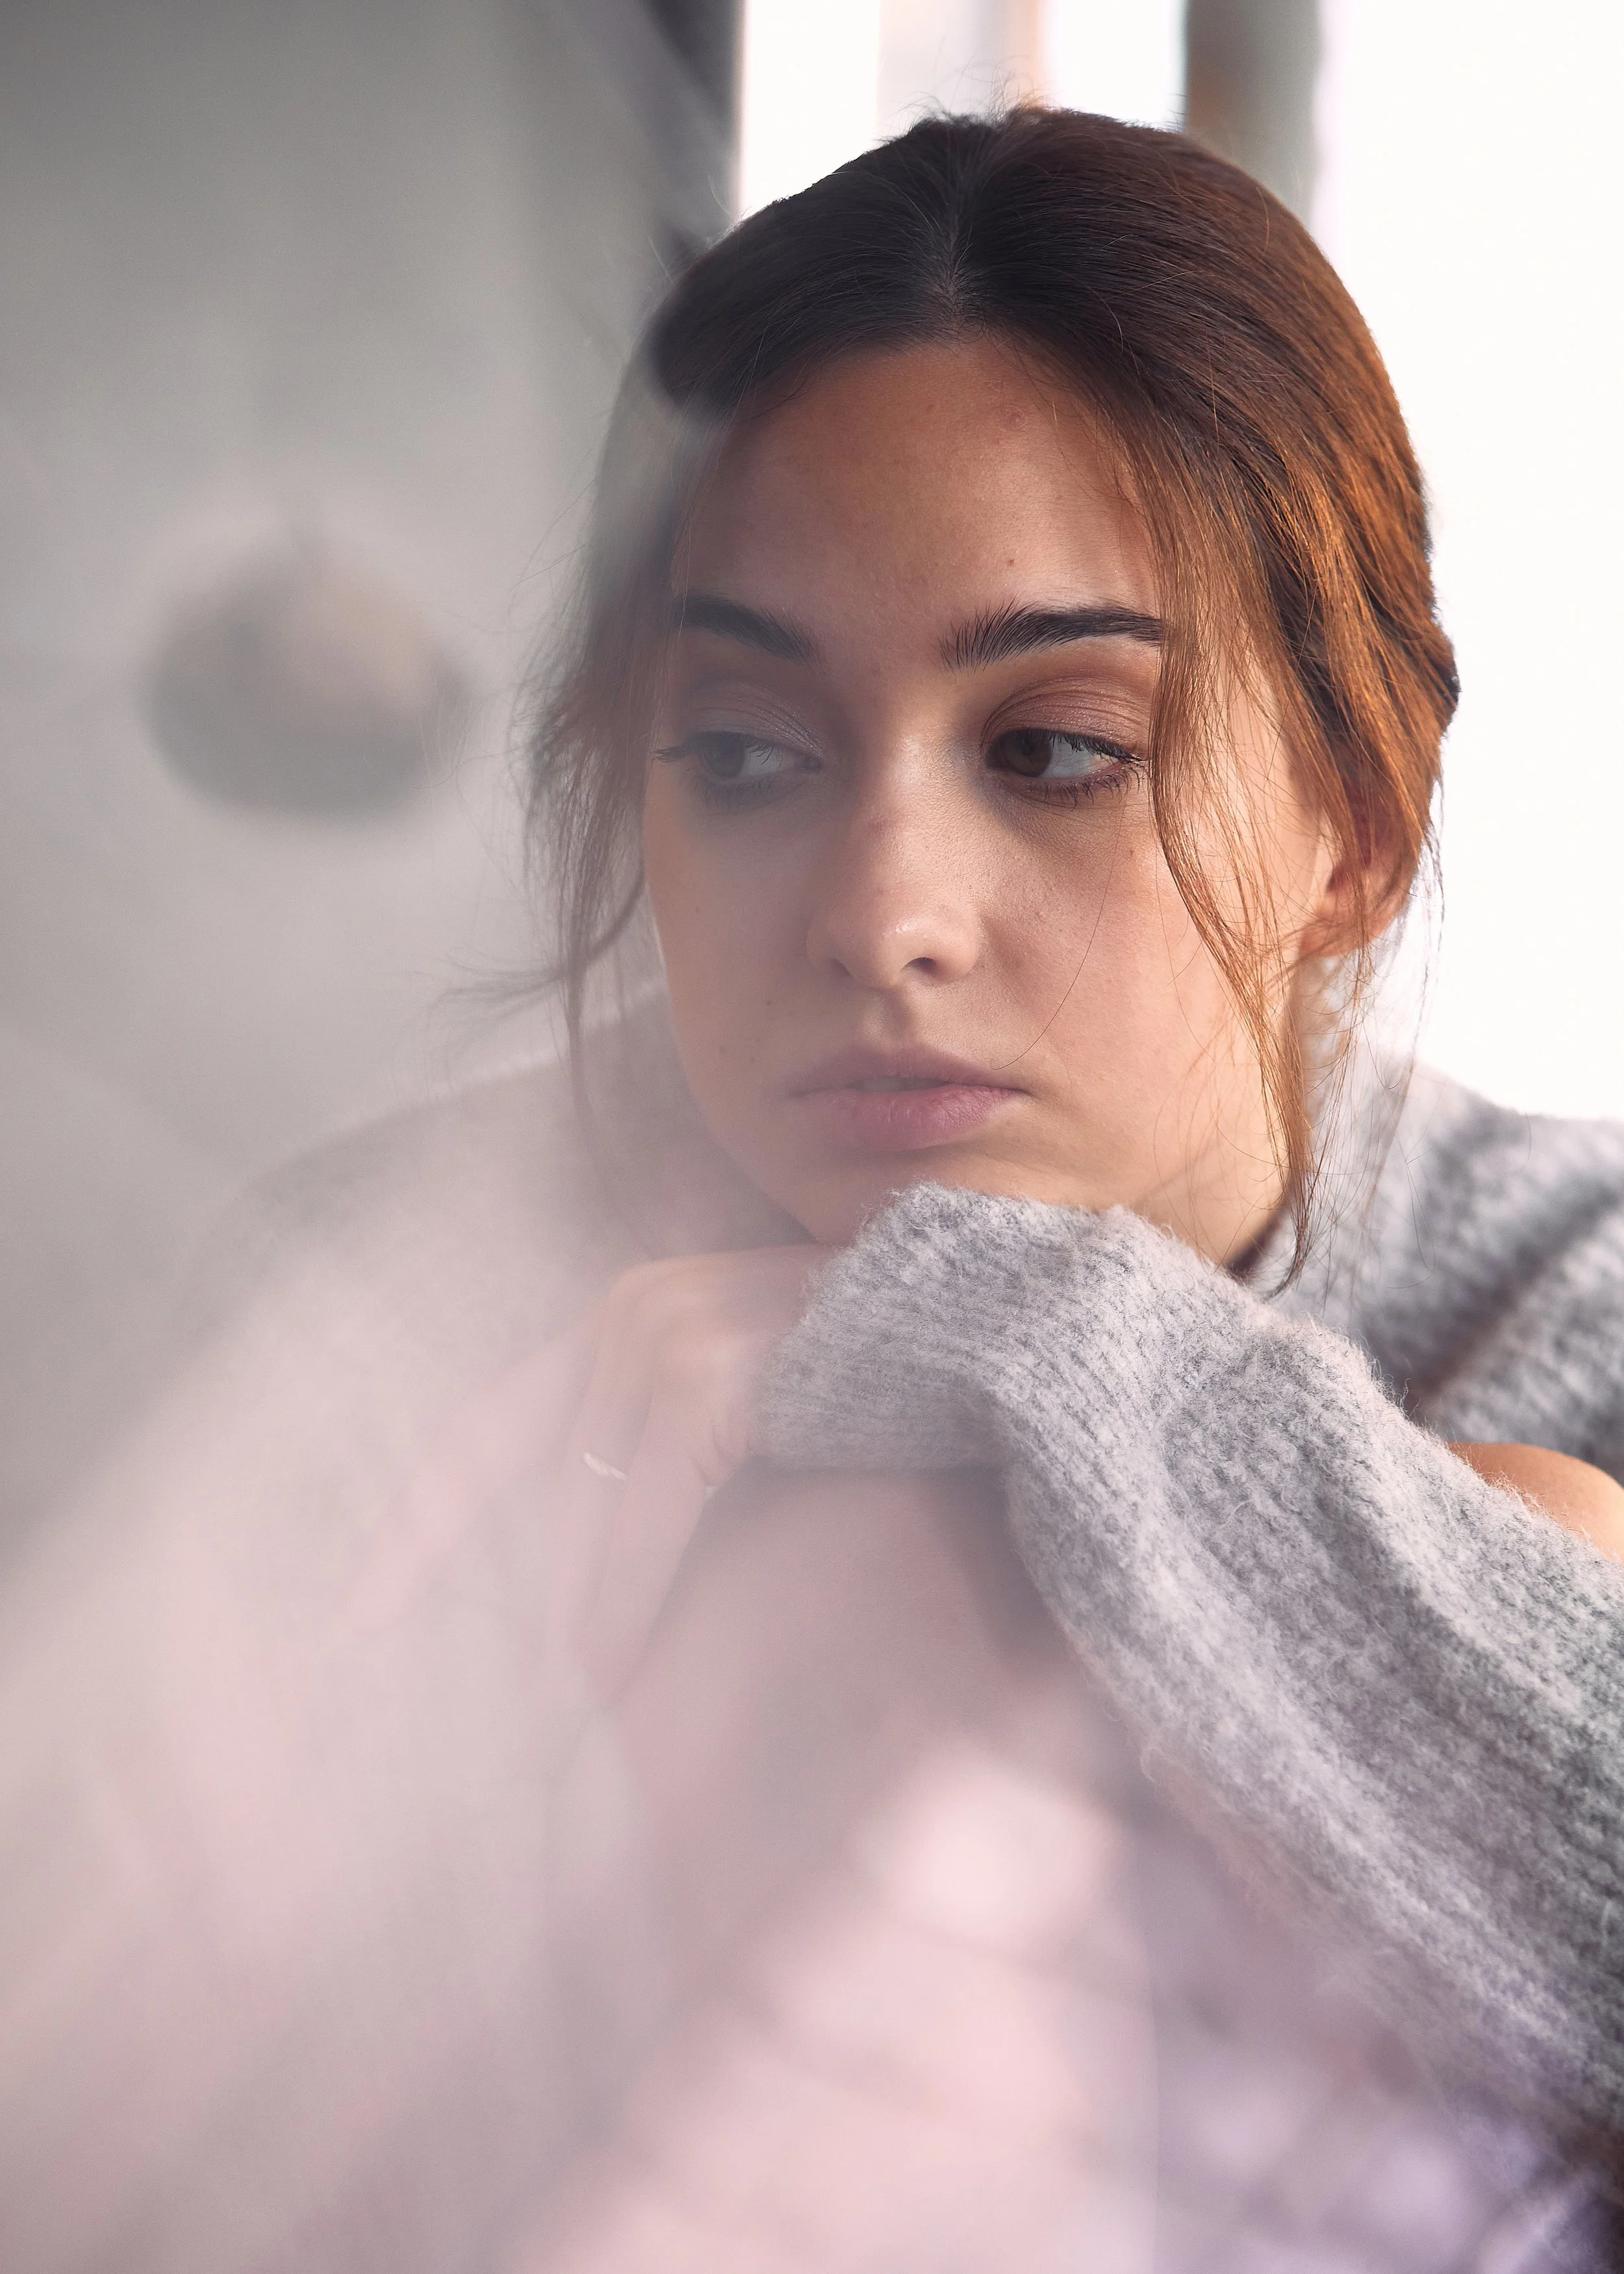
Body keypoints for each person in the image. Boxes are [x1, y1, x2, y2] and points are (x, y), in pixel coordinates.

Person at [5, 107, 1624, 2271]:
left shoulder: (1577, 1299)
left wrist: (1024, 1325)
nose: (883, 913)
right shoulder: (383, 1289)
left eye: (1053, 748)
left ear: (1347, 822)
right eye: (750, 755)